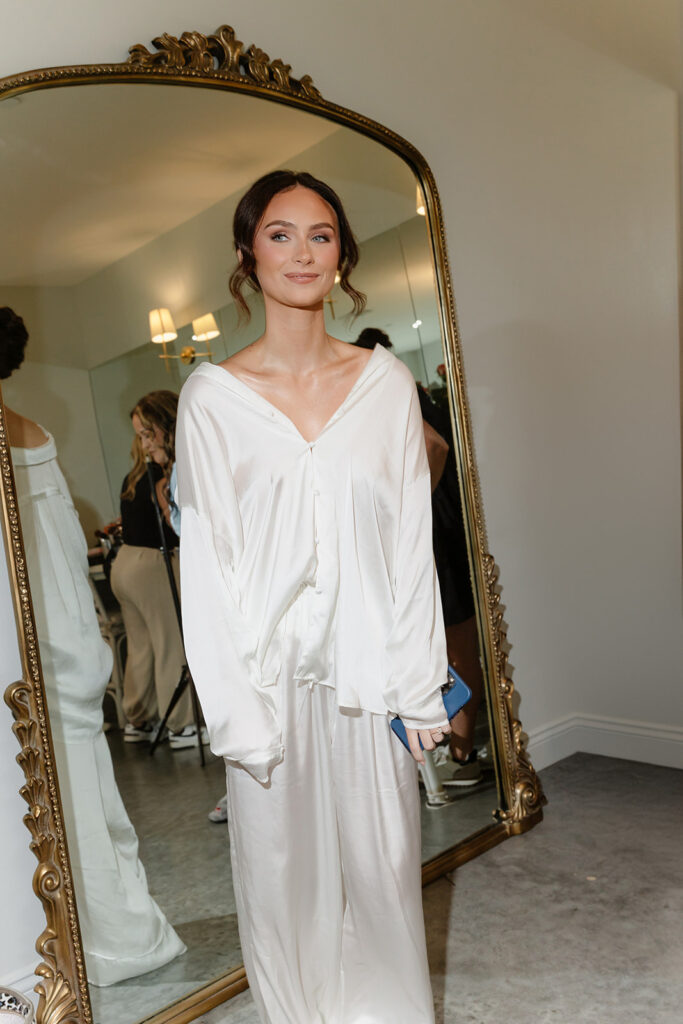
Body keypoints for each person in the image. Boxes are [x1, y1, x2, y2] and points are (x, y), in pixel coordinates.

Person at [175, 170, 451, 1023]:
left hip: (371, 689)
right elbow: (208, 574)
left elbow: (411, 546)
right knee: (279, 889)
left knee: (382, 882)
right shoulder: (212, 401)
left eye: (322, 234)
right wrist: (235, 714)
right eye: (281, 233)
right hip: (268, 690)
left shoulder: (385, 388)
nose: (302, 251)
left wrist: (420, 685)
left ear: (343, 256)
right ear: (247, 254)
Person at [0, 307, 186, 985]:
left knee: (65, 806)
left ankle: (101, 938)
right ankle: (112, 929)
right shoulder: (33, 433)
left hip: (35, 652)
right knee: (85, 804)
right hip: (64, 642)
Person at [110, 392, 196, 748]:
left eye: (147, 434)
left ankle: (138, 719)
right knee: (169, 642)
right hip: (149, 563)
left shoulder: (134, 476)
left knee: (142, 647)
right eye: (140, 436)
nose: (144, 444)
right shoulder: (162, 475)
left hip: (124, 564)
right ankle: (180, 725)